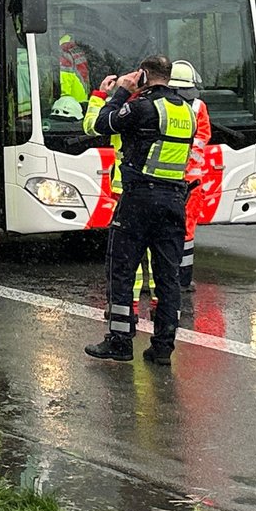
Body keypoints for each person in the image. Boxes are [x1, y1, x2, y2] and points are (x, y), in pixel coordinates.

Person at [83, 55, 196, 366]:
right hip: (174, 200)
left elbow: (100, 125)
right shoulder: (186, 111)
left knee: (121, 269)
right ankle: (163, 346)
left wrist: (120, 91)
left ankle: (119, 341)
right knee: (167, 276)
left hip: (139, 199)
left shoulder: (142, 106)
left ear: (144, 75)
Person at [171, 60, 217, 291]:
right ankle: (184, 279)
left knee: (163, 230)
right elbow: (203, 137)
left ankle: (166, 277)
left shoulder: (163, 104)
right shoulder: (199, 107)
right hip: (192, 181)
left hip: (166, 179)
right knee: (187, 229)